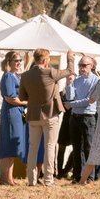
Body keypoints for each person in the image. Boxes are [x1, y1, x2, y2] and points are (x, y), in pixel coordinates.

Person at [22, 51, 62, 186]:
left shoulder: (25, 75)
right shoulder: (50, 72)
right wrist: (70, 57)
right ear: (45, 60)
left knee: (32, 148)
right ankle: (48, 179)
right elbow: (69, 71)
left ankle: (31, 180)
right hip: (50, 114)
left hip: (33, 115)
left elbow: (22, 97)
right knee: (49, 147)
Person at [58, 56, 97, 184]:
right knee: (76, 148)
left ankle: (90, 176)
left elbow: (89, 101)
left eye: (84, 65)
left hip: (88, 117)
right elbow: (70, 97)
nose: (81, 68)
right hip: (75, 117)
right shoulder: (77, 80)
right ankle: (78, 176)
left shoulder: (96, 81)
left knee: (88, 147)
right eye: (80, 65)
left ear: (91, 66)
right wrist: (69, 83)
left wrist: (72, 104)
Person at [0, 52, 28, 185]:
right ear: (9, 62)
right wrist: (26, 103)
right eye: (16, 61)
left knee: (13, 148)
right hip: (11, 113)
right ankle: (4, 179)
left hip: (17, 113)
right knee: (8, 147)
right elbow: (10, 97)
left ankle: (9, 178)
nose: (19, 63)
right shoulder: (8, 76)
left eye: (20, 60)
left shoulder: (15, 76)